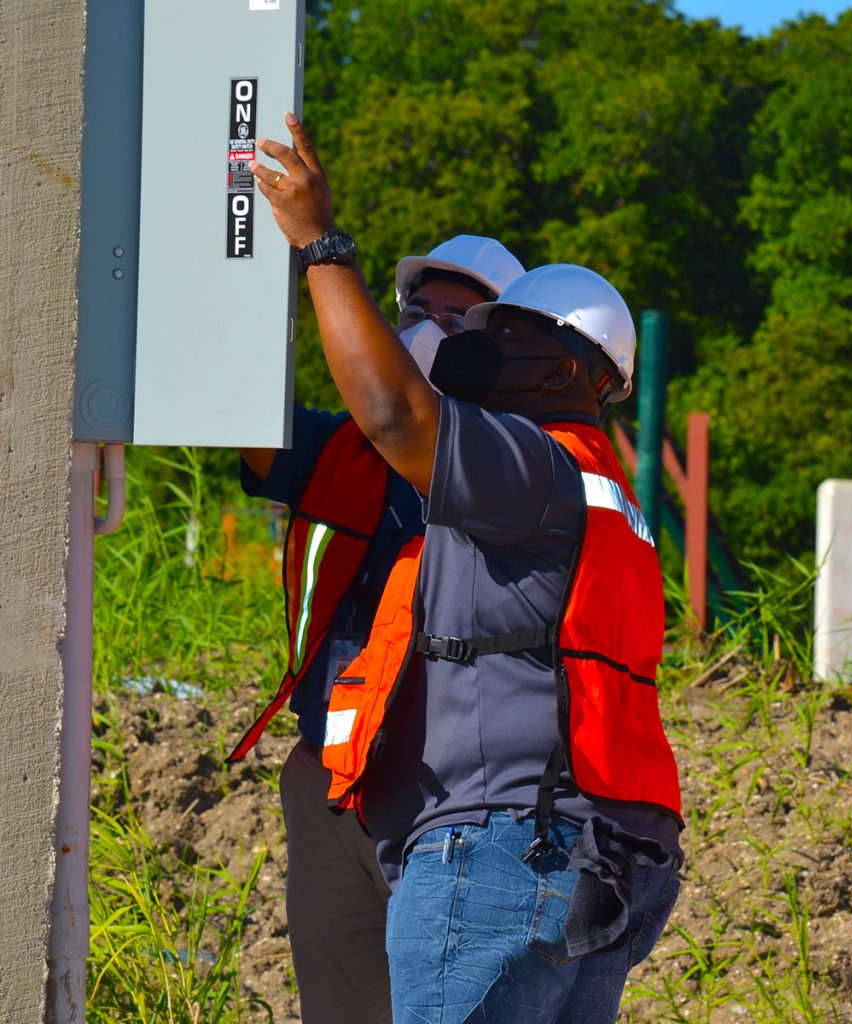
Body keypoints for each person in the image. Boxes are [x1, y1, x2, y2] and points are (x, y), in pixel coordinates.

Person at [253, 113, 683, 1024]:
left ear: (567, 366)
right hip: (595, 838)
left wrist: (322, 246)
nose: (471, 343)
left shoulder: (531, 463)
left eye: (498, 329)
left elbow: (396, 419)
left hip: (501, 841)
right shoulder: (605, 489)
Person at [228, 234, 525, 1023]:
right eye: (417, 310)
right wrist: (252, 275)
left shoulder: (512, 467)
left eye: (456, 320)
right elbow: (242, 406)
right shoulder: (339, 452)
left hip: (449, 795)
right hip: (329, 779)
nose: (427, 331)